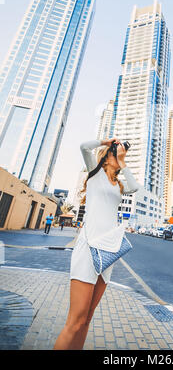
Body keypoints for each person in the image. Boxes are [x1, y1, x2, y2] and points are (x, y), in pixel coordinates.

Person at [54, 137, 139, 350]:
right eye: (114, 153)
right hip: (89, 248)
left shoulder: (119, 185)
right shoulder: (95, 174)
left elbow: (134, 187)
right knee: (74, 322)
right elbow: (83, 146)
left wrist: (123, 160)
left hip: (108, 253)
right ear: (105, 157)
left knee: (86, 321)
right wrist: (106, 141)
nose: (119, 155)